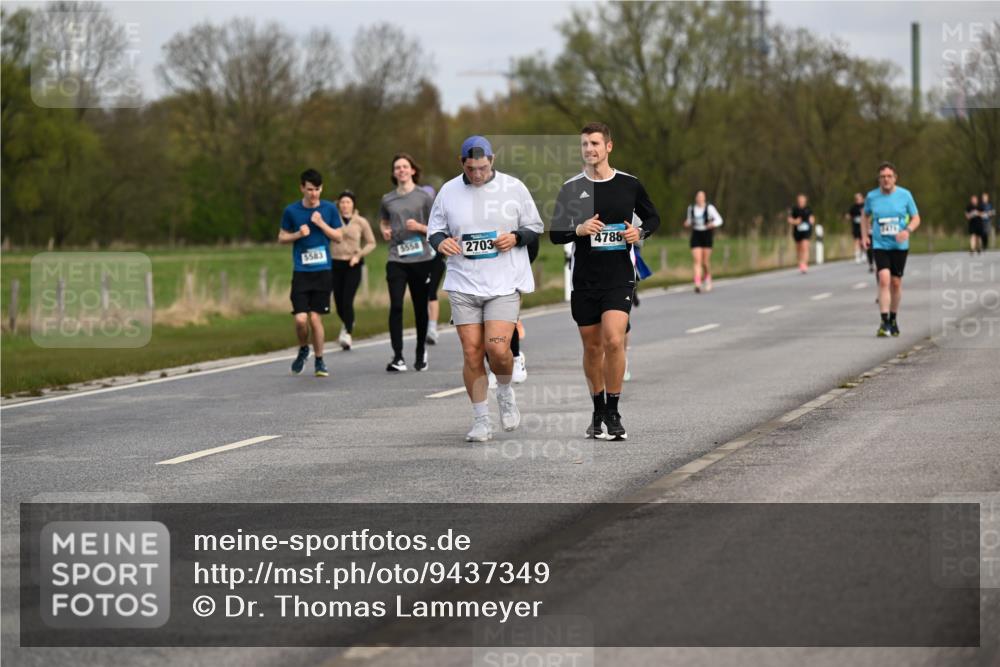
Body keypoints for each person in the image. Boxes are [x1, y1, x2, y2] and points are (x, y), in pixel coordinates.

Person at [428, 135, 544, 442]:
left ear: (492, 160)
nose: (477, 174)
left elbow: (535, 227)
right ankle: (481, 420)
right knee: (471, 353)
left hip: (503, 283)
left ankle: (504, 391)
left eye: (482, 167)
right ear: (461, 163)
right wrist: (442, 242)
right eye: (471, 169)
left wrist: (515, 237)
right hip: (463, 283)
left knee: (497, 349)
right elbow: (434, 231)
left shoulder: (513, 187)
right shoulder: (448, 191)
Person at [550, 122, 660, 441]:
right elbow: (556, 233)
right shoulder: (572, 188)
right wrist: (579, 229)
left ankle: (613, 411)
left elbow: (653, 217)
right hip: (585, 279)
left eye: (595, 143)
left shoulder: (629, 184)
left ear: (608, 147)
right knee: (592, 347)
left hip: (618, 277)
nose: (589, 149)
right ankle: (597, 409)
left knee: (613, 340)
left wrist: (639, 232)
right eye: (585, 144)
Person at [278, 169, 343, 377]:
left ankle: (320, 360)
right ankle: (303, 348)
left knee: (315, 318)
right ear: (302, 188)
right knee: (300, 319)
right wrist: (298, 234)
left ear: (321, 189)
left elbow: (338, 237)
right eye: (309, 189)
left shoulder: (329, 209)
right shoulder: (291, 211)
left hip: (323, 271)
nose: (313, 193)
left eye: (317, 189)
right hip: (301, 272)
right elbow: (281, 237)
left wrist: (321, 223)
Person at [379, 153, 436, 372]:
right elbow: (384, 220)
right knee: (396, 305)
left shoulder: (424, 197)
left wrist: (419, 227)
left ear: (412, 170)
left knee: (420, 308)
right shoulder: (387, 199)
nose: (401, 170)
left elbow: (438, 228)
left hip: (421, 259)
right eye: (397, 167)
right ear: (394, 173)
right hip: (396, 258)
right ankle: (398, 357)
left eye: (405, 166)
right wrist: (384, 230)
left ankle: (421, 350)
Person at [861, 162, 920, 337]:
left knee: (896, 282)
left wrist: (907, 231)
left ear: (895, 178)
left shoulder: (905, 195)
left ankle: (893, 319)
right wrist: (865, 235)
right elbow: (865, 216)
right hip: (880, 245)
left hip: (899, 246)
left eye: (889, 176)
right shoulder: (872, 197)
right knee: (884, 279)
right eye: (882, 177)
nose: (886, 180)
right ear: (878, 179)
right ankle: (884, 322)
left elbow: (916, 218)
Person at [331, 190, 376, 350]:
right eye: (342, 202)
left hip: (353, 263)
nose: (345, 205)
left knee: (347, 299)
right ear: (338, 204)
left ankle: (347, 333)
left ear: (353, 204)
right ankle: (349, 321)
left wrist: (359, 255)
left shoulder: (361, 222)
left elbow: (371, 242)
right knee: (338, 302)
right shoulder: (332, 219)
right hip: (335, 263)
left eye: (348, 202)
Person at [683, 191, 723, 292]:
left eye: (701, 197)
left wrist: (712, 224)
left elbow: (719, 220)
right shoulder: (691, 208)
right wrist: (687, 223)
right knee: (697, 260)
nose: (699, 199)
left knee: (705, 262)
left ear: (704, 198)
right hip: (696, 234)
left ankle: (708, 278)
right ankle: (697, 283)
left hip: (707, 235)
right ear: (696, 198)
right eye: (698, 197)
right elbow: (690, 220)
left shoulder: (710, 208)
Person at [788, 194, 814, 273]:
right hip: (797, 232)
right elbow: (789, 220)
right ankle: (800, 262)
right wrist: (795, 221)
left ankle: (804, 264)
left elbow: (812, 219)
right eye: (800, 201)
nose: (801, 202)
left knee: (805, 247)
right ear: (798, 201)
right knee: (799, 248)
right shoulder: (794, 210)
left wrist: (811, 221)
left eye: (803, 201)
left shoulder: (808, 209)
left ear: (805, 201)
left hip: (806, 231)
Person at [845, 192, 870, 267]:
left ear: (862, 199)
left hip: (864, 227)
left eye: (859, 198)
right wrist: (848, 217)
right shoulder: (853, 207)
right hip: (856, 227)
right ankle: (857, 256)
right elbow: (850, 215)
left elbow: (869, 216)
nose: (858, 200)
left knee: (863, 241)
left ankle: (864, 254)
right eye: (856, 199)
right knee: (856, 241)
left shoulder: (865, 206)